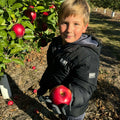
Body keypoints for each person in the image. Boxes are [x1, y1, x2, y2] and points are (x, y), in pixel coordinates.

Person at [37, 0, 102, 119]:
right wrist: (44, 86)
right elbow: (51, 69)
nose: (69, 29)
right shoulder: (55, 45)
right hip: (57, 99)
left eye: (76, 24)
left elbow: (86, 88)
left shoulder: (87, 56)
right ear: (58, 23)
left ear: (84, 27)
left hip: (74, 108)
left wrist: (70, 97)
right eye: (65, 23)